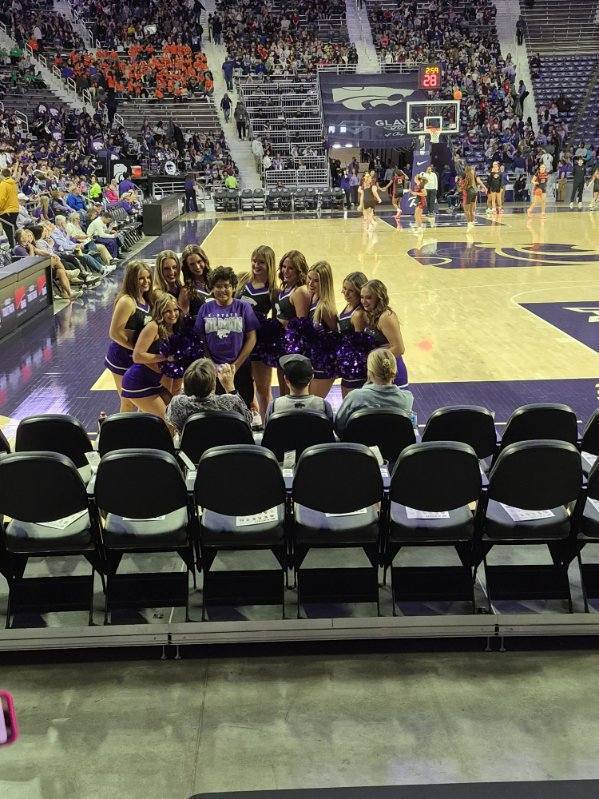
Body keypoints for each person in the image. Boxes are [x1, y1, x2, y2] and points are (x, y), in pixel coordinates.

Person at [194, 265, 259, 408]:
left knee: (243, 406)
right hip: (214, 370)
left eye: (227, 286)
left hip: (240, 368)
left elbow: (252, 338)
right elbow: (202, 339)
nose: (222, 290)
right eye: (218, 286)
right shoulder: (205, 308)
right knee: (215, 408)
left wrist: (235, 365)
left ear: (234, 287)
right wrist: (211, 364)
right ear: (211, 288)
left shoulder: (243, 307)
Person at [121, 292, 181, 419]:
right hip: (138, 381)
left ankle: (147, 438)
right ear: (160, 312)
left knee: (174, 413)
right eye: (168, 311)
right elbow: (137, 356)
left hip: (154, 381)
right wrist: (165, 357)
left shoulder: (173, 328)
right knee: (168, 419)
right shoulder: (153, 327)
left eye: (175, 310)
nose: (173, 314)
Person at [236, 245, 278, 425]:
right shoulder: (242, 280)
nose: (256, 265)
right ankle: (246, 421)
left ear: (269, 264)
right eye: (254, 260)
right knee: (241, 386)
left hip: (260, 344)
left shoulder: (273, 291)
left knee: (262, 388)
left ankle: (268, 425)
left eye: (261, 262)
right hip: (238, 342)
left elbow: (276, 321)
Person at [105, 260, 153, 411]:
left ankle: (138, 429)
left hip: (138, 357)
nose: (146, 281)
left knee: (142, 398)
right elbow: (114, 333)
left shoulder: (147, 298)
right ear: (132, 279)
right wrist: (137, 349)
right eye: (141, 278)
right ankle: (120, 433)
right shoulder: (127, 301)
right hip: (122, 357)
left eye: (148, 277)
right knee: (128, 401)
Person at [335, 348, 414, 437]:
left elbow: (339, 428)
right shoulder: (407, 398)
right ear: (395, 370)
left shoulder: (354, 397)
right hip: (394, 449)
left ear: (369, 372)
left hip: (360, 448)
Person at [166, 358, 253, 433]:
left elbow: (169, 419)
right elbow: (248, 420)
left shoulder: (177, 403)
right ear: (214, 384)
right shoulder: (231, 401)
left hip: (193, 451)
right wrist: (230, 388)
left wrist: (189, 386)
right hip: (225, 450)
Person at [353, 279, 408, 387]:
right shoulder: (369, 314)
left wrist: (373, 359)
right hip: (378, 374)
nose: (364, 301)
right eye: (362, 297)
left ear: (379, 298)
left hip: (392, 375)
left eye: (368, 297)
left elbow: (399, 348)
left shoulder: (386, 317)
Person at [275, 250, 311, 395]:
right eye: (284, 266)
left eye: (290, 268)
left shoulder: (299, 292)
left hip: (293, 348)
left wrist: (282, 324)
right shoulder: (285, 287)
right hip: (282, 344)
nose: (285, 271)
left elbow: (301, 326)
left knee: (291, 391)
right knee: (283, 390)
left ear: (299, 271)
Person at [13, 227, 81, 301]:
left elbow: (40, 252)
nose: (27, 237)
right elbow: (30, 262)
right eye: (25, 236)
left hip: (39, 268)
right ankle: (68, 273)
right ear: (21, 238)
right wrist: (32, 249)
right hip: (32, 272)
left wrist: (51, 254)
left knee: (61, 271)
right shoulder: (18, 248)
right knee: (55, 260)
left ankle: (67, 293)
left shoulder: (28, 245)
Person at [265, 354, 333, 425]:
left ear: (286, 379)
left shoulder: (273, 406)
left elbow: (268, 433)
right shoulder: (324, 406)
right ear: (312, 377)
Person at [306, 261, 338, 399]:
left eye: (316, 281)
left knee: (313, 406)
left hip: (325, 365)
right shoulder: (313, 297)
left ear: (325, 283)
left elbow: (337, 337)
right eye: (309, 279)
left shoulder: (325, 307)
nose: (311, 283)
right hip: (314, 361)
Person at [338, 271, 368, 397]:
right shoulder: (349, 305)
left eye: (351, 291)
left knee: (351, 404)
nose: (346, 293)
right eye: (344, 288)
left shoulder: (358, 314)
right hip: (347, 363)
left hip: (355, 369)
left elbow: (360, 347)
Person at [179, 244, 212, 317]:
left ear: (204, 261)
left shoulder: (216, 282)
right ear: (187, 267)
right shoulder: (186, 291)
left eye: (199, 261)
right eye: (192, 264)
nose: (197, 267)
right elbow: (183, 320)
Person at [0, 167, 19, 249]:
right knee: (14, 228)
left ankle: (14, 248)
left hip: (7, 211)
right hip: (15, 209)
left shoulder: (4, 183)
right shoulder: (13, 183)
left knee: (9, 231)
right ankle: (20, 245)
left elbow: (2, 198)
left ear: (1, 175)